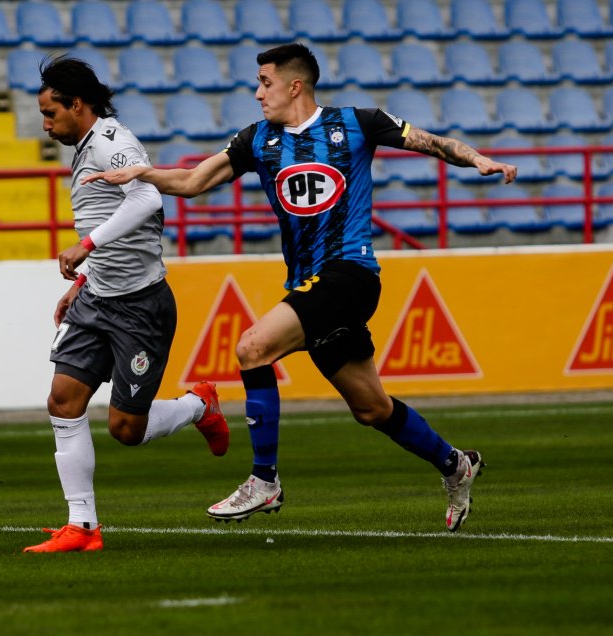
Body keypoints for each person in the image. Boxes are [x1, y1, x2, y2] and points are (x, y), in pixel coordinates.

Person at [82, 43, 518, 532]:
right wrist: (142, 172)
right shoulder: (257, 141)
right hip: (310, 283)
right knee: (372, 409)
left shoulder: (358, 122)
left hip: (350, 273)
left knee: (252, 347)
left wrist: (478, 158)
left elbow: (430, 142)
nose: (257, 93)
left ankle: (264, 481)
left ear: (295, 85)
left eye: (264, 83)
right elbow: (190, 181)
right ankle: (455, 464)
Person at [23, 56, 230, 553]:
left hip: (140, 306)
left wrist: (85, 247)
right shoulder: (87, 146)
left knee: (125, 429)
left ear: (78, 104)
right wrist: (85, 279)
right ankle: (82, 527)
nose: (46, 125)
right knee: (62, 401)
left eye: (51, 114)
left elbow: (147, 201)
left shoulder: (114, 143)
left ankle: (198, 405)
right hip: (97, 298)